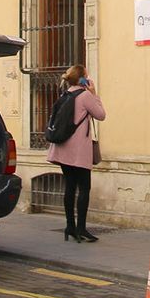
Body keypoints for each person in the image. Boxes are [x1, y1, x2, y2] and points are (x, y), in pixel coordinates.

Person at [45, 64, 105, 242]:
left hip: (63, 149)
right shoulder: (85, 95)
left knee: (70, 187)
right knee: (84, 188)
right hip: (78, 151)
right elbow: (101, 115)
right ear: (83, 79)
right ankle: (81, 229)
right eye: (86, 75)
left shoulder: (66, 94)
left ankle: (70, 226)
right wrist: (94, 93)